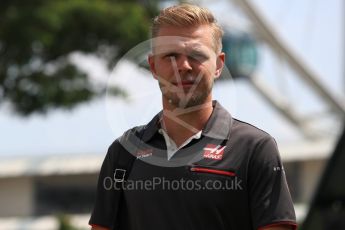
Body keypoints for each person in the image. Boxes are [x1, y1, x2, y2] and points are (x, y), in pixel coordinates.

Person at [89, 4, 297, 230]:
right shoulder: (123, 152)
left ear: (219, 64)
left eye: (196, 55)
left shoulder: (254, 148)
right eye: (170, 56)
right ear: (153, 66)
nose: (183, 66)